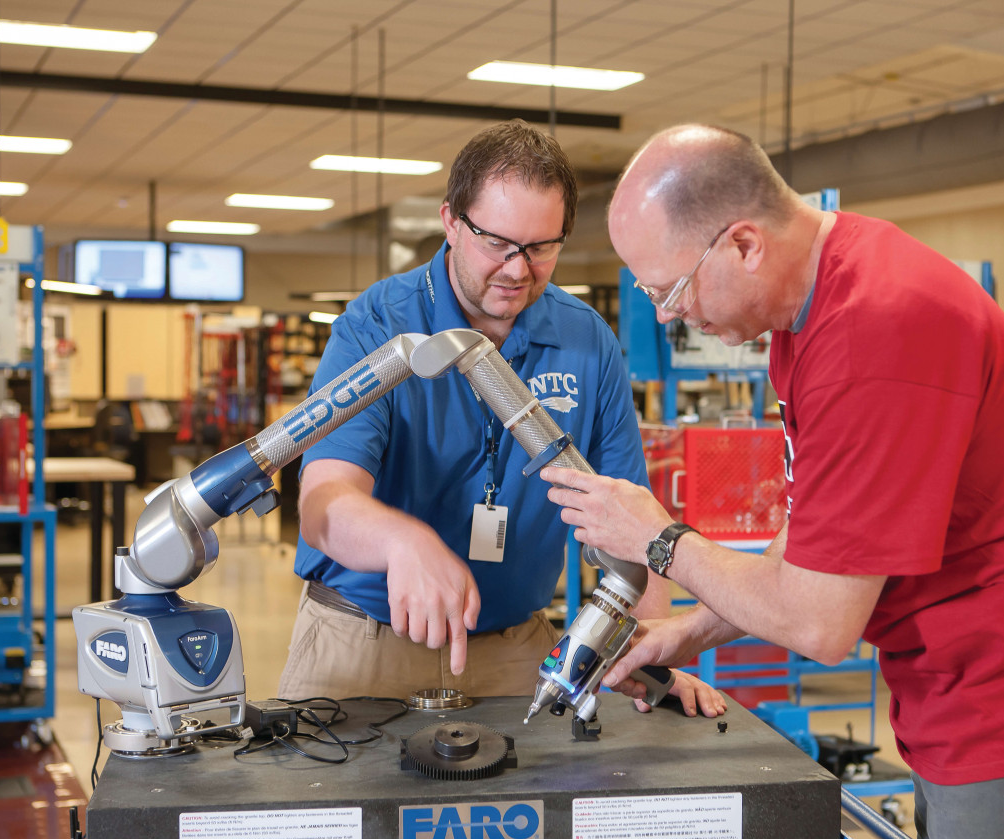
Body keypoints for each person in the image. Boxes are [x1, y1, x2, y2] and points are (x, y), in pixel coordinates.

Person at [541, 124, 1004, 839]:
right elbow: (819, 541)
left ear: (744, 244)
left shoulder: (877, 328)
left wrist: (661, 539)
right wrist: (687, 632)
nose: (669, 314)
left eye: (672, 289)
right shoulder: (812, 313)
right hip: (961, 683)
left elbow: (820, 622)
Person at [279, 119, 724, 718]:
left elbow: (630, 523)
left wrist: (654, 653)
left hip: (516, 650)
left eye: (541, 248)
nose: (517, 270)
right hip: (361, 644)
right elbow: (322, 504)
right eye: (497, 243)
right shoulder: (375, 327)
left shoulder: (587, 341)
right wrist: (403, 541)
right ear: (451, 222)